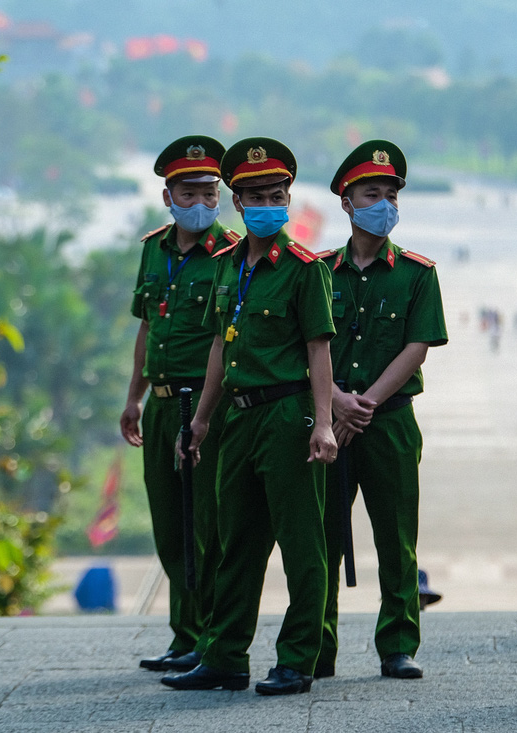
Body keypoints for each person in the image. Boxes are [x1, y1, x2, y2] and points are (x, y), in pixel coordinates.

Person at [161, 137, 337, 696]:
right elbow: (219, 347)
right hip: (237, 419)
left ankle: (297, 658)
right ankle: (225, 655)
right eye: (256, 195)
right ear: (237, 202)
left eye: (277, 193)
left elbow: (319, 351)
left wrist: (326, 422)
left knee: (301, 541)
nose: (268, 203)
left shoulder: (305, 270)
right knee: (234, 541)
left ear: (288, 197)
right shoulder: (226, 266)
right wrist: (203, 420)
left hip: (288, 415)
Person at [316, 141, 448, 681]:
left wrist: (363, 404)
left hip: (387, 419)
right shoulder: (318, 271)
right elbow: (304, 346)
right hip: (326, 418)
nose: (384, 202)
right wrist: (335, 404)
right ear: (347, 203)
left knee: (396, 536)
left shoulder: (417, 273)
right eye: (373, 193)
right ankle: (314, 646)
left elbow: (417, 346)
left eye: (391, 193)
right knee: (321, 535)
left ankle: (398, 644)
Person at [120, 135, 237, 673]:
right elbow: (149, 326)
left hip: (205, 403)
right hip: (162, 402)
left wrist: (206, 417)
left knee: (206, 526)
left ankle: (212, 639)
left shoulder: (234, 255)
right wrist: (133, 398)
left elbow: (227, 340)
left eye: (210, 193)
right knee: (170, 526)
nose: (201, 204)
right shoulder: (153, 249)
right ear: (167, 197)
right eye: (188, 193)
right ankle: (183, 635)